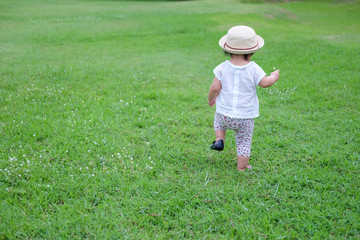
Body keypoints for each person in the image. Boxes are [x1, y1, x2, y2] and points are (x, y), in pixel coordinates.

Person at [208, 25, 280, 171]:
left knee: (219, 122)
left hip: (224, 114)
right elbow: (264, 83)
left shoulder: (222, 67)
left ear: (227, 50)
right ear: (251, 52)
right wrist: (274, 77)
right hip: (245, 118)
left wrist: (211, 99)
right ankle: (242, 167)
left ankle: (219, 139)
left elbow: (215, 88)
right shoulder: (253, 68)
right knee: (244, 142)